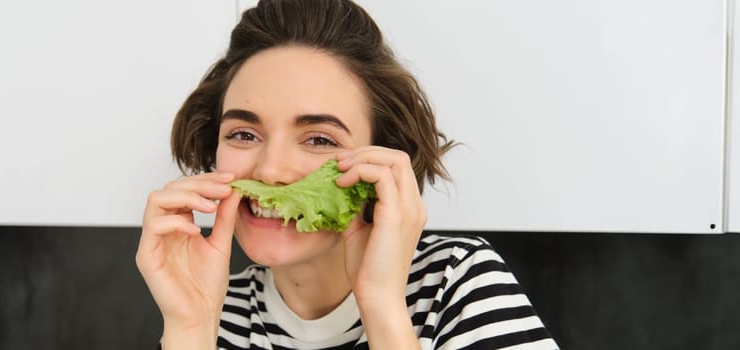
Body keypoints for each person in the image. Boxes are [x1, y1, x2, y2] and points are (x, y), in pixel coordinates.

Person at [136, 0, 559, 349]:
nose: (268, 169)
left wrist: (382, 307)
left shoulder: (455, 282)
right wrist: (190, 329)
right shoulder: (211, 309)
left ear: (383, 161)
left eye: (319, 139)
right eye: (244, 134)